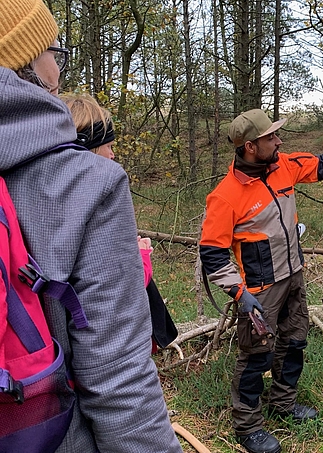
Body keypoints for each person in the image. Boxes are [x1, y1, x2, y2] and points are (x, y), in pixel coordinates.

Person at [0, 1, 183, 451]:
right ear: (25, 61)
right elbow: (119, 383)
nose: (58, 70)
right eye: (53, 52)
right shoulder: (87, 184)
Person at [199, 108, 323, 453]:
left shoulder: (283, 166)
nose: (279, 141)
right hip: (258, 290)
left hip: (293, 276)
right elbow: (213, 254)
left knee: (293, 343)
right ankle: (248, 428)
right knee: (255, 357)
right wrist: (238, 292)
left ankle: (283, 403)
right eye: (270, 137)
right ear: (250, 146)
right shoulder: (225, 195)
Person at [60, 92, 178, 353]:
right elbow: (123, 285)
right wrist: (143, 255)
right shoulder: (99, 200)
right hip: (109, 346)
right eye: (109, 147)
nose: (113, 156)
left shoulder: (56, 199)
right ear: (88, 147)